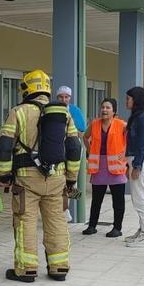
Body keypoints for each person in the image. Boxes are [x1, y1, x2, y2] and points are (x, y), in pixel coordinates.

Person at [0, 69, 80, 282]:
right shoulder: (64, 113)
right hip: (57, 178)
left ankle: (26, 269)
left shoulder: (19, 112)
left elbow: (5, 145)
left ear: (27, 89)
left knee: (25, 221)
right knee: (56, 223)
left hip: (26, 179)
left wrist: (4, 175)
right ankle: (59, 267)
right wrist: (71, 178)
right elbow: (73, 147)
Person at [82, 98, 127, 237]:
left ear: (114, 111)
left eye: (108, 107)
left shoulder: (122, 125)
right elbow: (85, 137)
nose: (104, 110)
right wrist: (90, 152)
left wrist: (125, 155)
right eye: (103, 107)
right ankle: (92, 226)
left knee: (118, 200)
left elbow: (132, 139)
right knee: (96, 199)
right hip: (99, 166)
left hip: (116, 167)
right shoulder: (94, 124)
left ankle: (117, 228)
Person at [124, 87, 144, 248]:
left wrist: (137, 166)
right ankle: (143, 229)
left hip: (141, 162)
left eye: (128, 98)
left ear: (136, 100)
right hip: (136, 160)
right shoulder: (137, 117)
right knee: (138, 198)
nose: (126, 101)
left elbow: (143, 144)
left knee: (141, 198)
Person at [56, 86, 86, 223]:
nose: (63, 99)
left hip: (72, 149)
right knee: (59, 180)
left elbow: (82, 131)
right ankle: (64, 210)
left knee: (71, 180)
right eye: (61, 97)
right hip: (57, 150)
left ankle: (68, 209)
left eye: (66, 97)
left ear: (70, 98)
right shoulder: (52, 109)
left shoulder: (74, 110)